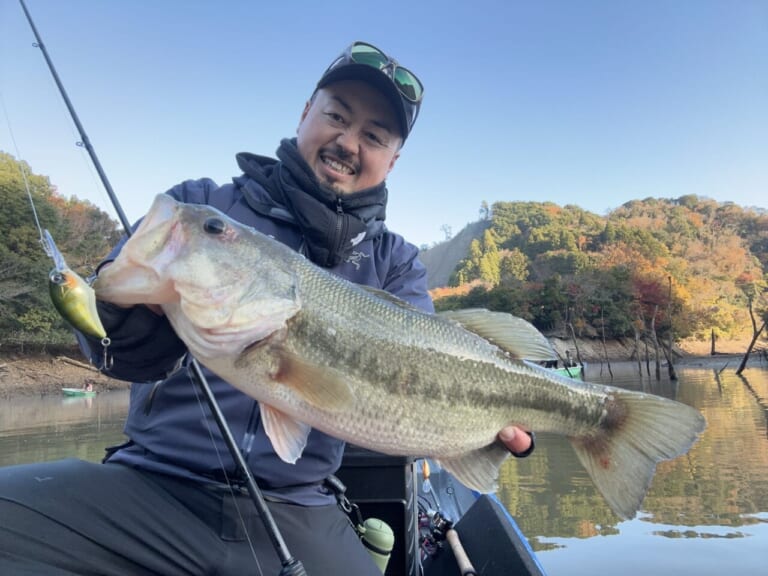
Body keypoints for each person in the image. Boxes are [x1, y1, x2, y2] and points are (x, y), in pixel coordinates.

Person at [0, 41, 533, 575]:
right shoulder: (202, 207)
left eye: (373, 136)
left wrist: (483, 433)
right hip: (152, 483)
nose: (348, 142)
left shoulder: (397, 263)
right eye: (336, 117)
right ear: (305, 113)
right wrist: (129, 315)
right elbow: (111, 351)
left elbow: (416, 393)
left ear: (392, 160)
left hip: (300, 506)